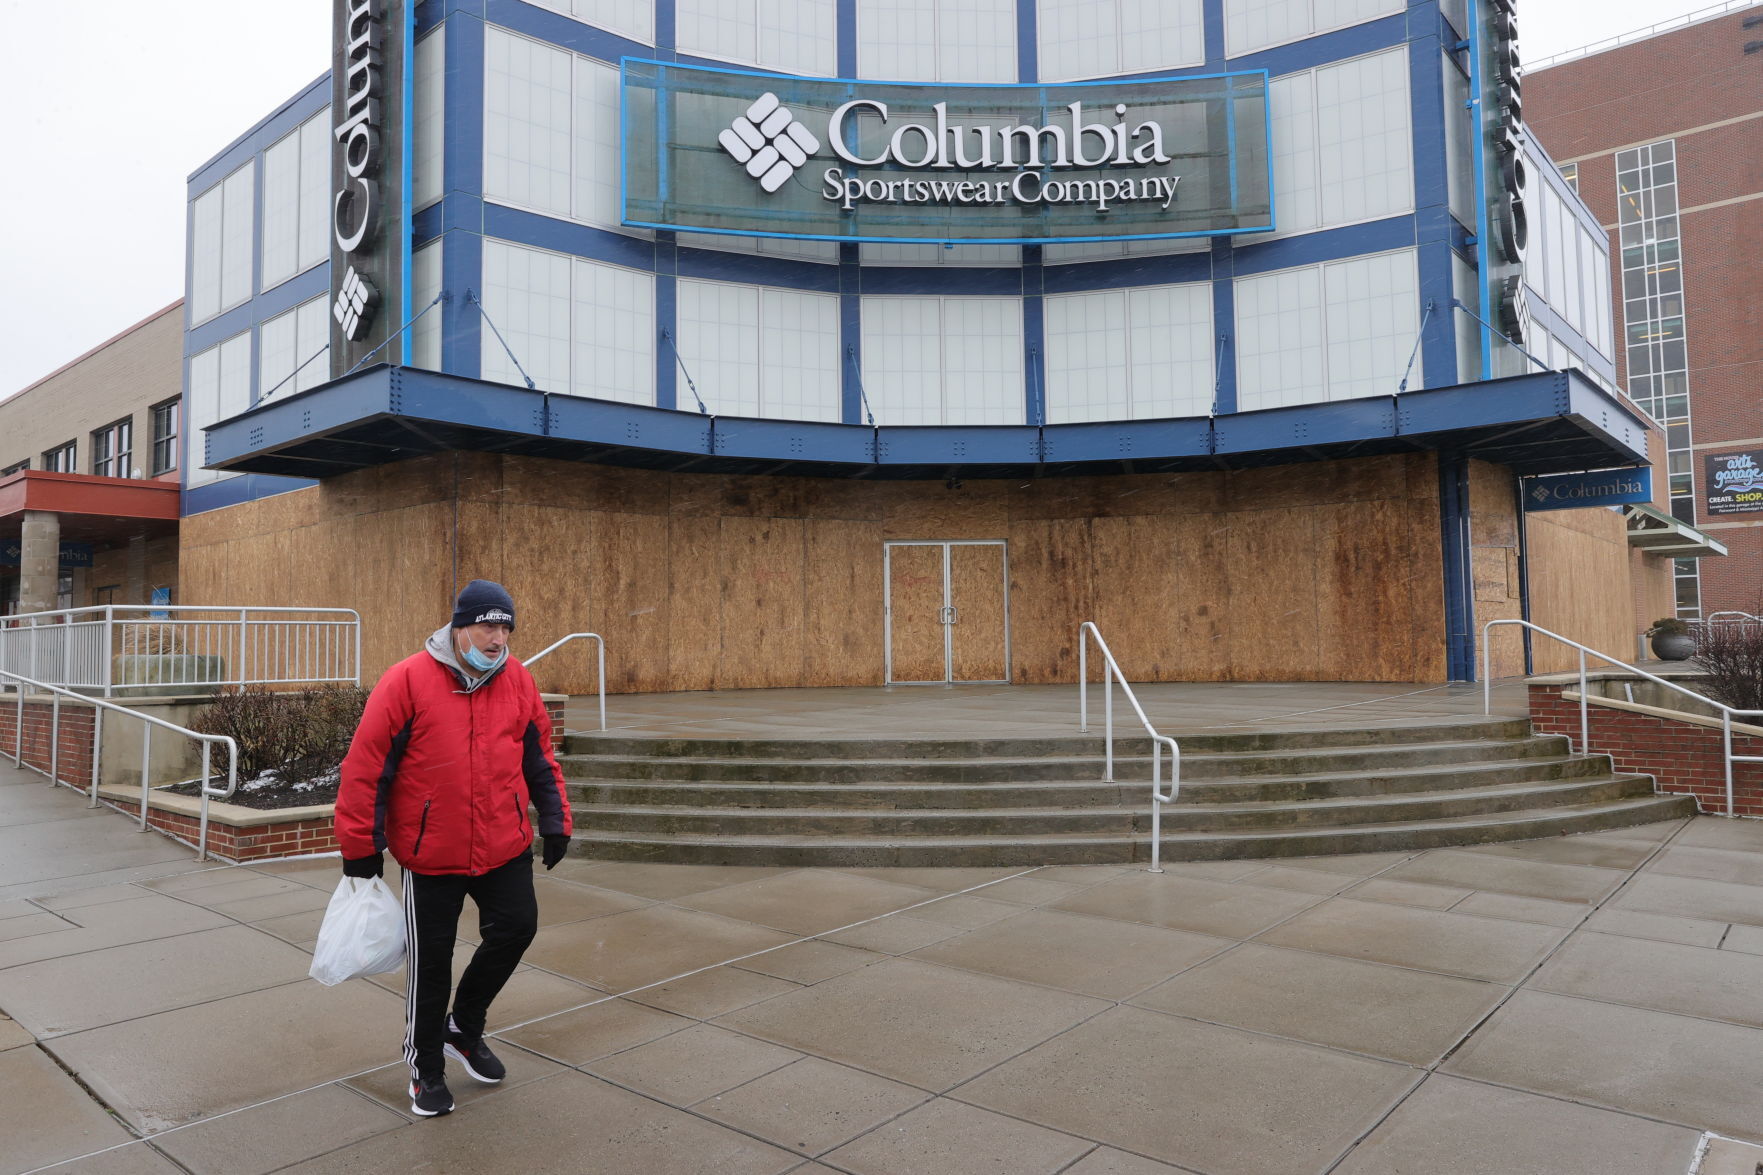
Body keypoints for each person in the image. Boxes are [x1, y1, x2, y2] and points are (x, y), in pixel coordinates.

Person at [333, 579, 572, 1118]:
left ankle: (462, 1027)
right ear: (459, 626)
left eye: (505, 626)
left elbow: (540, 759)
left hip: (503, 844)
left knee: (517, 927)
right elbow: (366, 769)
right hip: (431, 854)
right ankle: (425, 1068)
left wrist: (555, 820)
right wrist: (360, 847)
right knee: (431, 964)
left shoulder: (517, 680)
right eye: (487, 624)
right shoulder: (407, 681)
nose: (497, 637)